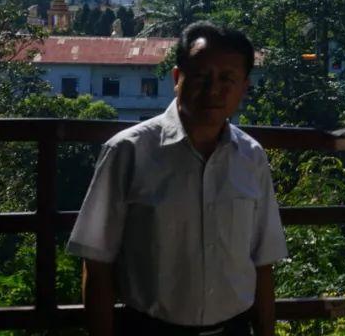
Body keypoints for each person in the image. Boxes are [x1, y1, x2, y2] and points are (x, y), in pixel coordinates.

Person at [67, 21, 287, 336]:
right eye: (201, 76)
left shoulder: (251, 158)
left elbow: (263, 264)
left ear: (244, 87)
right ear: (176, 78)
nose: (213, 90)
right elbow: (97, 262)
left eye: (227, 79)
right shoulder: (129, 152)